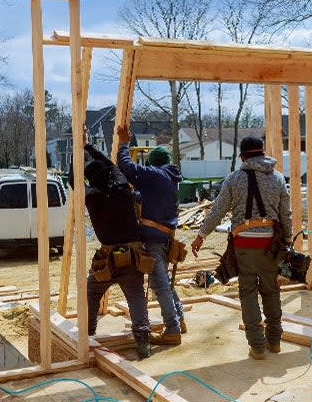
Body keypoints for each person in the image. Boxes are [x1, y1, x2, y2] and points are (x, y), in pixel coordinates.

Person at [191, 137, 291, 360]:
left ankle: (257, 346)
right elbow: (285, 213)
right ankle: (274, 341)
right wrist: (289, 240)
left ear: (242, 157)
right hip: (270, 244)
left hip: (244, 243)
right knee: (271, 290)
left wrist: (201, 236)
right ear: (263, 154)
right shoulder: (277, 178)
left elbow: (217, 211)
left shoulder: (234, 179)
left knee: (248, 292)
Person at [69, 133, 152, 359]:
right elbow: (109, 165)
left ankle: (88, 334)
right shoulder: (123, 187)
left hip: (107, 258)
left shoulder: (92, 196)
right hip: (133, 254)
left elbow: (73, 179)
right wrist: (89, 146)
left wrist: (77, 149)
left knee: (92, 293)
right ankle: (143, 341)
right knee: (135, 297)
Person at [116, 125, 186, 346]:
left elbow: (126, 166)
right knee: (164, 281)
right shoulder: (169, 179)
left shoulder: (157, 175)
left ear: (154, 164)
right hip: (165, 236)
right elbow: (150, 198)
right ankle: (180, 319)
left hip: (154, 239)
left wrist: (123, 143)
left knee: (159, 284)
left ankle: (173, 329)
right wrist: (134, 196)